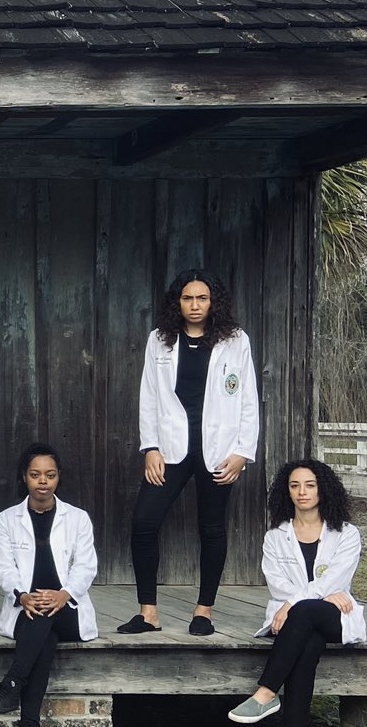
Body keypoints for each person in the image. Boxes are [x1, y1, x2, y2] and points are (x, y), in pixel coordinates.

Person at [120, 269, 259, 637]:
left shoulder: (235, 340)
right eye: (187, 298)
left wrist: (243, 452)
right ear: (177, 302)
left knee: (211, 527)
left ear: (214, 302)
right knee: (145, 522)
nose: (194, 305)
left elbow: (248, 399)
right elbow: (148, 396)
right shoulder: (160, 340)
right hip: (171, 447)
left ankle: (204, 611)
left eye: (202, 298)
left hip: (219, 447)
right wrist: (150, 447)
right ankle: (148, 612)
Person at [227, 460, 365, 727]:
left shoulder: (346, 533)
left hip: (336, 615)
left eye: (310, 485)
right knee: (309, 638)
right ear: (286, 492)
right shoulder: (276, 536)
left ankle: (266, 692)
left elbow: (336, 579)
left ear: (323, 488)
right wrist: (314, 596)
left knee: (304, 612)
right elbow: (278, 583)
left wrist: (295, 602)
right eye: (294, 485)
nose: (302, 492)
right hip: (301, 618)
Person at [0, 443, 99, 727]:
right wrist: (22, 596)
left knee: (46, 616)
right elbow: (2, 566)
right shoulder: (7, 520)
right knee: (42, 640)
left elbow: (86, 566)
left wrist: (63, 594)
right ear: (24, 478)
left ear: (58, 478)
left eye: (50, 475)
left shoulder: (77, 518)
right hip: (26, 609)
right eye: (35, 475)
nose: (42, 481)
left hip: (68, 608)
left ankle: (13, 684)